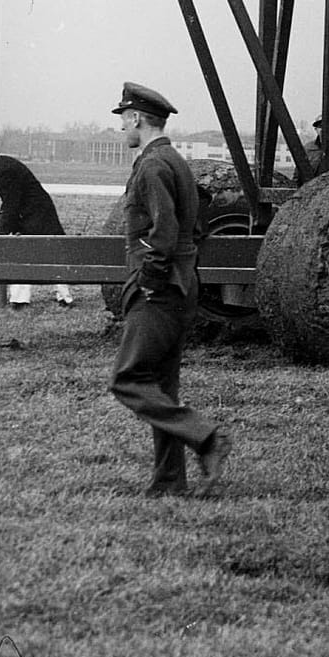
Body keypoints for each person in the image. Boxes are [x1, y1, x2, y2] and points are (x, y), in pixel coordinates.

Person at [107, 82, 232, 497]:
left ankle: (206, 437)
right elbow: (194, 228)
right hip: (181, 284)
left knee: (127, 380)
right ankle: (168, 482)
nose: (122, 128)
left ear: (137, 119)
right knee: (161, 387)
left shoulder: (153, 166)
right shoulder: (175, 161)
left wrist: (148, 282)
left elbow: (164, 231)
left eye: (123, 120)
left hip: (159, 289)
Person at [0, 150, 77, 307]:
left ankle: (20, 300)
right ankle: (63, 296)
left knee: (26, 253)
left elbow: (11, 204)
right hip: (36, 214)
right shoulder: (1, 165)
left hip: (35, 216)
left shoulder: (3, 170)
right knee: (52, 255)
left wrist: (1, 230)